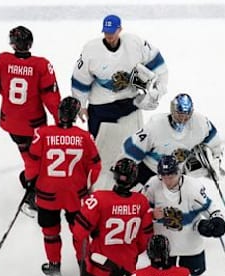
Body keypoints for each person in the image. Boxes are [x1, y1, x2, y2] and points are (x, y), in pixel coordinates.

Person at [71, 14, 168, 189]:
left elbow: (158, 63)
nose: (109, 36)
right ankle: (97, 190)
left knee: (132, 149)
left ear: (119, 30)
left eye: (112, 32)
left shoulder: (135, 43)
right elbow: (80, 77)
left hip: (129, 104)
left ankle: (128, 188)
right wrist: (81, 104)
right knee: (99, 152)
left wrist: (156, 91)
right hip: (101, 106)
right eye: (106, 32)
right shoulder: (91, 49)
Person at [73, 158, 153, 276]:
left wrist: (93, 234)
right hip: (126, 262)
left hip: (98, 261)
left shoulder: (99, 198)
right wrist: (131, 251)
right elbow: (146, 240)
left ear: (115, 176)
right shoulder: (142, 202)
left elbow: (79, 232)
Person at [26, 97, 101, 276]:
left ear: (59, 112)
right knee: (80, 232)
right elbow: (96, 165)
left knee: (50, 231)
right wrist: (88, 187)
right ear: (76, 116)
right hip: (75, 194)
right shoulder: (85, 137)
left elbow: (32, 162)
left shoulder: (42, 133)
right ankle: (85, 266)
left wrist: (30, 180)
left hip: (47, 193)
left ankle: (54, 267)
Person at [0, 25, 61, 216]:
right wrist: (60, 120)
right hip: (34, 124)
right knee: (34, 158)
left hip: (11, 122)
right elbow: (50, 96)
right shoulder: (41, 65)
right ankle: (32, 192)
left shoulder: (3, 60)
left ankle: (30, 181)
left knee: (30, 156)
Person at [143, 155, 225, 276]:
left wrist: (218, 220)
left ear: (178, 172)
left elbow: (210, 208)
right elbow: (141, 209)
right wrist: (151, 213)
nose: (168, 181)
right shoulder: (152, 185)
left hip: (191, 247)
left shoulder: (193, 186)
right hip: (163, 248)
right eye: (164, 177)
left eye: (171, 176)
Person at [123, 93, 225, 186]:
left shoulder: (201, 123)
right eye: (180, 114)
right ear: (172, 110)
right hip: (150, 169)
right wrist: (125, 168)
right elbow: (133, 148)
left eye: (187, 114)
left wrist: (215, 164)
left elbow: (215, 144)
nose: (183, 118)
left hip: (176, 175)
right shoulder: (156, 125)